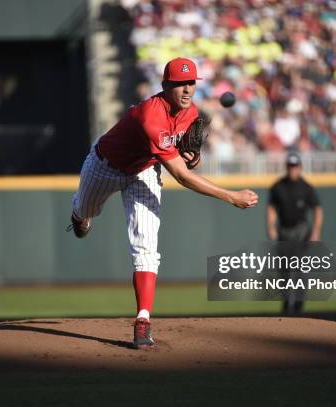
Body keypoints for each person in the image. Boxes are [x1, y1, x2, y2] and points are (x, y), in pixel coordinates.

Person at [68, 57, 259, 349]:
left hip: (144, 171)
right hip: (105, 166)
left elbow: (184, 159)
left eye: (191, 83)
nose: (186, 89)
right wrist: (231, 196)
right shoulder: (150, 116)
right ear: (165, 86)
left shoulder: (191, 113)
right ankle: (80, 216)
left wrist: (192, 156)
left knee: (146, 247)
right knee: (85, 212)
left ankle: (143, 322)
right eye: (180, 83)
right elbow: (182, 178)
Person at [266, 153, 323, 314]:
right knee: (284, 271)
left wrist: (316, 231)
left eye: (295, 166)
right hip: (284, 231)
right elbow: (271, 207)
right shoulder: (278, 187)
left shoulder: (306, 187)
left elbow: (317, 209)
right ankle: (286, 302)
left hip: (301, 232)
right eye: (290, 166)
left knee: (299, 270)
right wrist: (270, 226)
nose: (292, 169)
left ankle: (298, 304)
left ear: (300, 167)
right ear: (286, 167)